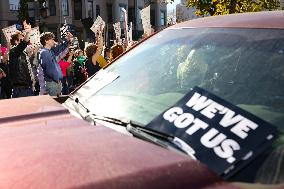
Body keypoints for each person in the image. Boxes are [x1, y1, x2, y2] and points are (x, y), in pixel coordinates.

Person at [39, 32, 73, 96]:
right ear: (46, 41)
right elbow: (49, 70)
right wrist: (56, 78)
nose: (53, 41)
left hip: (54, 83)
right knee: (53, 104)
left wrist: (66, 39)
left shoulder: (49, 51)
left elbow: (59, 48)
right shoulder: (45, 53)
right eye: (51, 39)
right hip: (52, 83)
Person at [8, 24, 35, 98]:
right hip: (21, 89)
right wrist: (28, 33)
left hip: (26, 88)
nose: (25, 41)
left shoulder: (23, 53)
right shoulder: (13, 51)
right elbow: (23, 44)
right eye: (21, 40)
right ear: (16, 41)